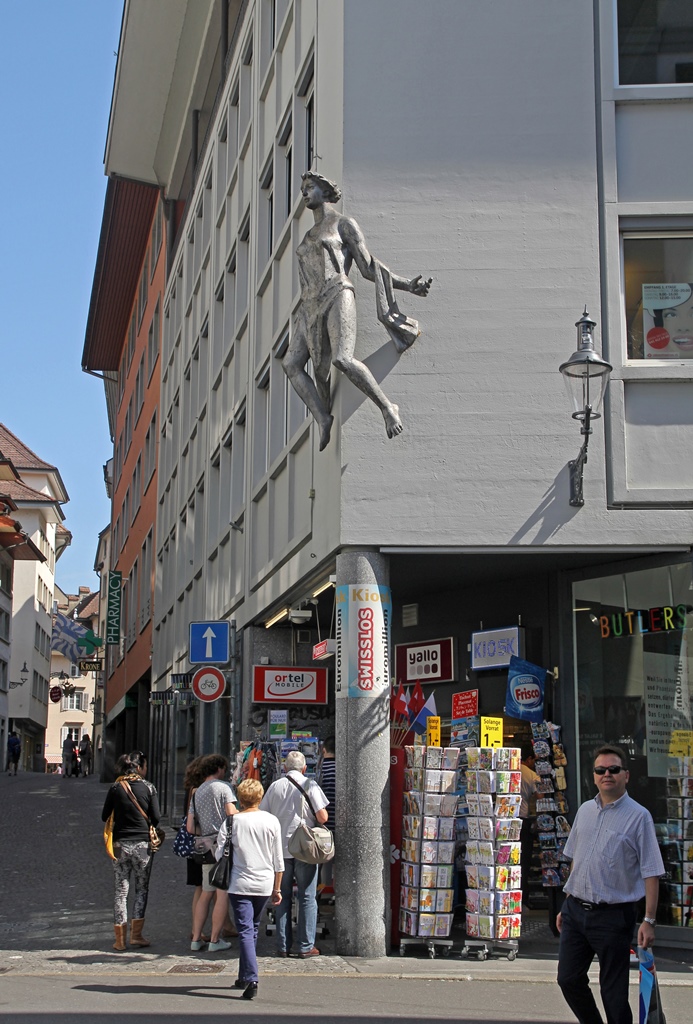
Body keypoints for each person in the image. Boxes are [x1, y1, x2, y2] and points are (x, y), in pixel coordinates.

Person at [282, 171, 432, 451]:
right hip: (310, 304)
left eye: (309, 187)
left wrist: (407, 286)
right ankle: (322, 418)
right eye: (302, 188)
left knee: (342, 359)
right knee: (290, 364)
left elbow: (367, 267)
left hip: (337, 291)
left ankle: (388, 407)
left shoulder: (343, 224)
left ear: (325, 192)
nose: (304, 193)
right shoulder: (307, 234)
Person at [556, 744, 665, 1024]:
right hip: (575, 911)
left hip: (613, 917)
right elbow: (575, 860)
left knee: (613, 994)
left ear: (625, 775)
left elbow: (651, 872)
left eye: (614, 769)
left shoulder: (639, 817)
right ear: (593, 776)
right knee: (567, 979)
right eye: (601, 770)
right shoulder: (584, 811)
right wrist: (566, 901)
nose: (607, 774)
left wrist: (649, 920)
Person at [216, 779, 283, 1000]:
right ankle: (244, 975)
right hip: (264, 883)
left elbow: (219, 854)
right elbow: (278, 860)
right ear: (260, 797)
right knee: (252, 928)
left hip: (240, 882)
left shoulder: (232, 822)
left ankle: (251, 977)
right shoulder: (271, 821)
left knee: (245, 929)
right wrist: (277, 888)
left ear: (241, 798)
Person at [260, 749, 329, 958]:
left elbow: (264, 814)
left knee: (281, 896)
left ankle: (283, 945)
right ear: (305, 768)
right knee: (307, 896)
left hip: (280, 849)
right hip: (305, 848)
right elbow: (323, 817)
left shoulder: (274, 787)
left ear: (284, 767)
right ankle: (306, 946)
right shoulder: (310, 785)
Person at [101, 750, 161, 951]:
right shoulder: (149, 787)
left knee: (121, 891)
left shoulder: (116, 787)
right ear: (138, 767)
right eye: (144, 765)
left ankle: (119, 940)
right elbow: (156, 817)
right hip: (142, 845)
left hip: (119, 845)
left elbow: (104, 816)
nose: (146, 769)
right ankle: (136, 935)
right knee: (141, 888)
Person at [187, 753, 237, 951]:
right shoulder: (224, 787)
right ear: (219, 768)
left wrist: (205, 832)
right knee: (222, 893)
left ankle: (196, 938)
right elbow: (232, 815)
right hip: (223, 845)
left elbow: (190, 827)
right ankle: (215, 940)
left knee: (206, 893)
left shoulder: (197, 792)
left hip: (205, 846)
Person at [519, 742, 540, 901]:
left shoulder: (506, 770)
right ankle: (523, 895)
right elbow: (541, 797)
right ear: (529, 759)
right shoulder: (531, 775)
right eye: (533, 760)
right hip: (523, 820)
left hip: (503, 819)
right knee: (523, 860)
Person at [317, 736, 336, 891]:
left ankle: (324, 889)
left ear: (324, 750)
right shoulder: (344, 770)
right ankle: (333, 889)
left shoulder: (320, 770)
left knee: (323, 861)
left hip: (323, 824)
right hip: (340, 822)